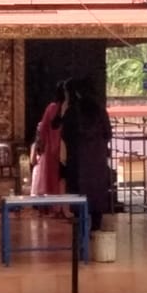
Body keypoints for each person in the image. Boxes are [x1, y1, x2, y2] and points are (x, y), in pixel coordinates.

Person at [58, 78, 114, 235]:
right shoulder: (100, 111)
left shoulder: (72, 112)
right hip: (97, 160)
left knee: (78, 194)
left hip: (77, 161)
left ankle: (80, 229)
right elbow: (108, 134)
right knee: (97, 194)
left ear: (77, 92)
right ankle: (96, 227)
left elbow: (65, 135)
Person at [29, 80, 67, 197]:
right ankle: (56, 207)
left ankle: (59, 207)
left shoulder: (55, 108)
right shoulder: (54, 108)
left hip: (56, 148)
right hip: (54, 149)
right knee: (54, 178)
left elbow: (44, 129)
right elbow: (44, 129)